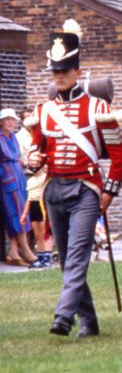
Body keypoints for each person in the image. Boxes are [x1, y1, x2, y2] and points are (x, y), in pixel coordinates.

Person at [27, 20, 122, 337]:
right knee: (66, 259)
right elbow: (35, 149)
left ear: (77, 71)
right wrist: (32, 159)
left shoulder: (98, 107)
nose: (59, 76)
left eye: (65, 70)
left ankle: (64, 315)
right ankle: (89, 321)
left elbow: (120, 153)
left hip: (86, 189)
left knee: (78, 255)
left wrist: (109, 191)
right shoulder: (43, 111)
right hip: (54, 189)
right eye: (55, 70)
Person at [1, 108, 36, 266]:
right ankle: (27, 251)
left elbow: (20, 157)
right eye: (7, 119)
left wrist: (30, 164)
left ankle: (13, 253)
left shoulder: (13, 137)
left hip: (19, 176)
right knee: (15, 214)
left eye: (12, 119)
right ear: (1, 121)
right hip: (7, 178)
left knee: (22, 212)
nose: (10, 122)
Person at [17, 108, 51, 268]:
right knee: (36, 226)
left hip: (44, 184)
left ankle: (47, 256)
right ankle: (42, 256)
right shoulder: (21, 138)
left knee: (45, 226)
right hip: (33, 185)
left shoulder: (45, 135)